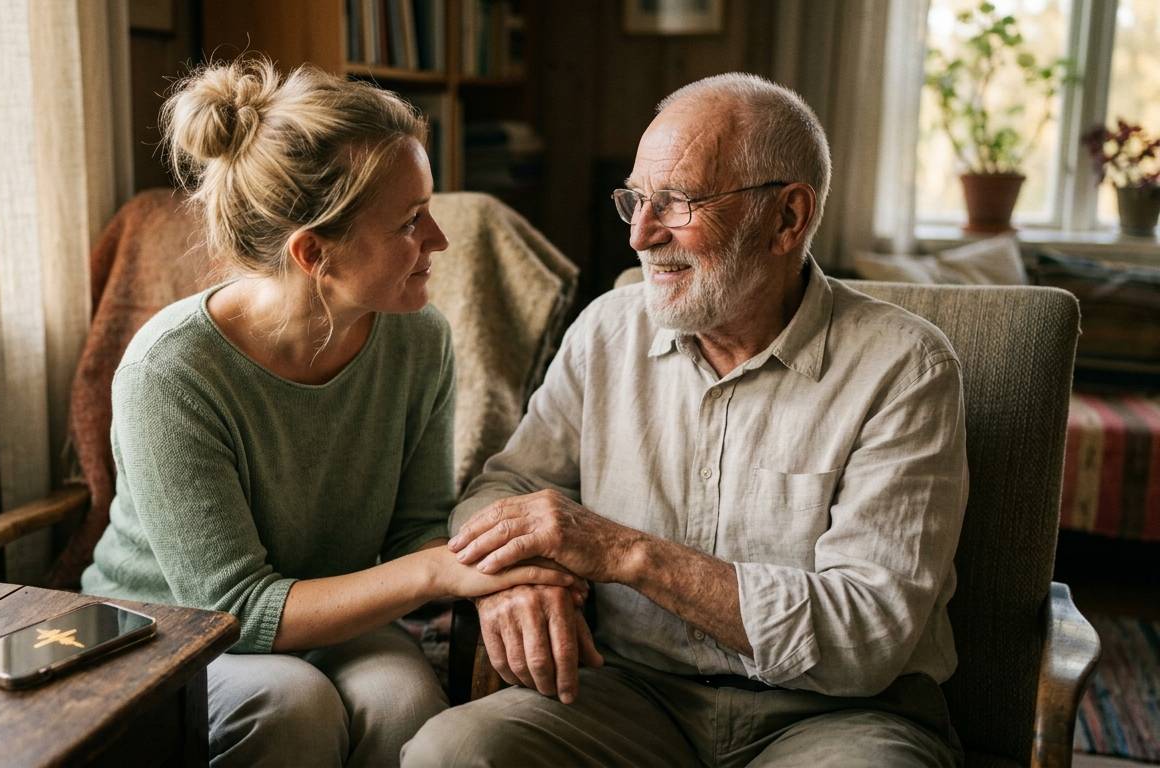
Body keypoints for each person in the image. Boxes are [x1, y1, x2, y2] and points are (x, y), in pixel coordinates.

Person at [403, 73, 968, 767]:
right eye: (635, 199)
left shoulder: (904, 368)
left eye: (676, 203)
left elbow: (866, 638)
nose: (640, 235)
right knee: (453, 752)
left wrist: (626, 554)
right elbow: (503, 488)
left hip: (838, 716)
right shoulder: (606, 331)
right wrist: (515, 579)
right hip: (630, 693)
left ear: (788, 218)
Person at [78, 58, 579, 768]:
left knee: (404, 703)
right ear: (314, 252)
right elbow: (236, 610)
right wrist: (441, 572)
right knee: (291, 705)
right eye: (410, 221)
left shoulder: (418, 338)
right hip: (168, 629)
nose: (438, 240)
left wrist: (505, 575)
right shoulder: (171, 371)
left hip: (336, 614)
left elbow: (416, 529)